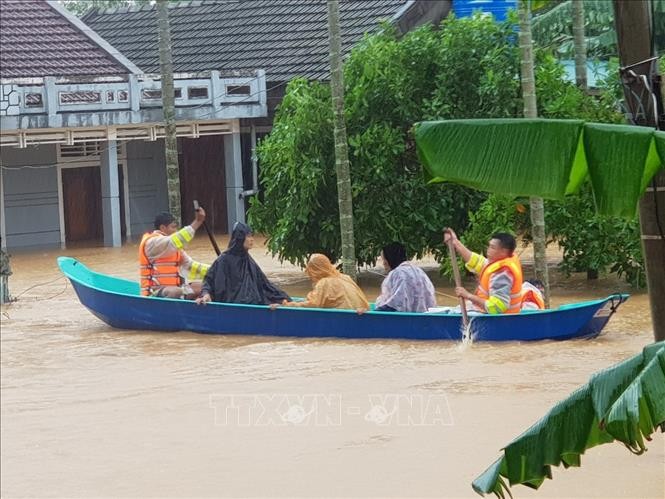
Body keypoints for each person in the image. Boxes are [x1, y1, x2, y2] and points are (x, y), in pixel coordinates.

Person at [196, 222, 290, 305]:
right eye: (248, 236)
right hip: (231, 305)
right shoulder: (223, 260)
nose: (252, 239)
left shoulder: (249, 261)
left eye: (252, 236)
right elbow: (208, 281)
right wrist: (206, 294)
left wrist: (281, 299)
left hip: (252, 303)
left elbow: (265, 285)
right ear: (240, 238)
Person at [443, 228, 523, 314]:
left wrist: (468, 295)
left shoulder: (503, 273)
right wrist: (455, 242)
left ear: (504, 251)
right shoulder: (501, 261)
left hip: (500, 319)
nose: (488, 250)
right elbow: (476, 262)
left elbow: (497, 308)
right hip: (486, 312)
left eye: (492, 247)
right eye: (489, 246)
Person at [139, 209, 209, 299]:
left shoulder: (174, 249)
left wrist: (215, 272)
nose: (176, 230)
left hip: (177, 290)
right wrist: (197, 222)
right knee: (176, 291)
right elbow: (176, 240)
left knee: (205, 287)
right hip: (154, 293)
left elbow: (190, 266)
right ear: (163, 228)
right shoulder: (152, 243)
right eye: (173, 227)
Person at [274, 253, 369, 310]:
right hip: (359, 312)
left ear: (315, 270)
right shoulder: (345, 277)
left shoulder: (323, 283)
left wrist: (289, 305)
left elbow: (313, 304)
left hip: (344, 315)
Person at [374, 242, 436, 312]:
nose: (383, 263)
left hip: (407, 320)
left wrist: (374, 311)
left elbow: (394, 304)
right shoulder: (418, 270)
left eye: (384, 259)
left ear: (389, 259)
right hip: (425, 317)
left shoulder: (398, 273)